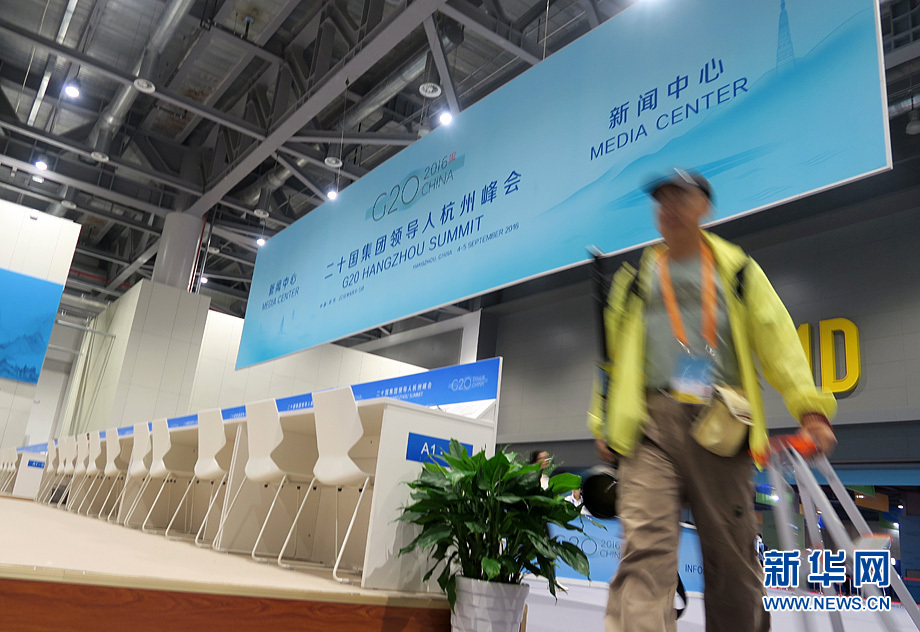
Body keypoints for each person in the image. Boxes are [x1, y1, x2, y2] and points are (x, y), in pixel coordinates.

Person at [587, 169, 838, 632]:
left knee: (732, 560)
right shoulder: (634, 279)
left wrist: (810, 409)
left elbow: (778, 339)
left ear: (705, 206)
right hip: (650, 427)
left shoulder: (738, 271)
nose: (669, 208)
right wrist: (602, 421)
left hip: (722, 423)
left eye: (680, 198)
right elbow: (613, 361)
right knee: (644, 551)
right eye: (662, 200)